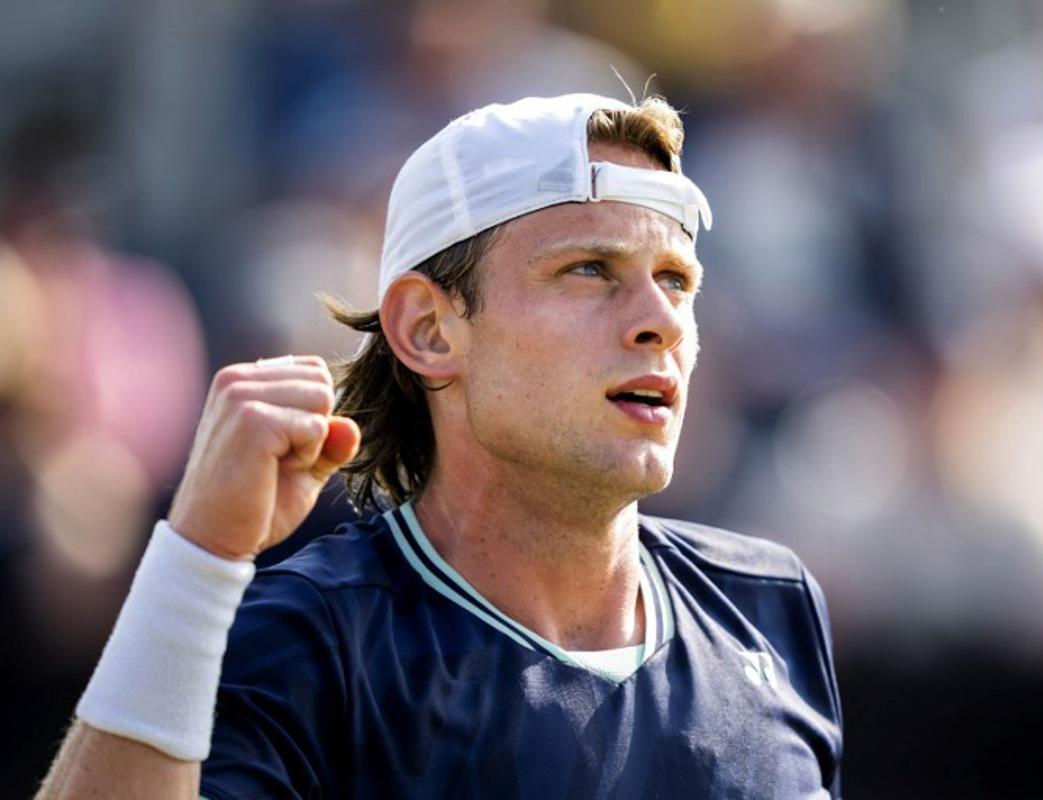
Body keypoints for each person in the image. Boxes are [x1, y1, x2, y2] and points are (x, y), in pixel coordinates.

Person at [37, 93, 843, 799]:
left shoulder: (769, 607)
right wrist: (195, 559)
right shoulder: (307, 638)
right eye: (590, 269)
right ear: (428, 330)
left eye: (677, 279)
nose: (661, 321)